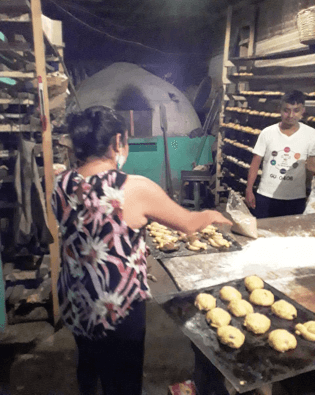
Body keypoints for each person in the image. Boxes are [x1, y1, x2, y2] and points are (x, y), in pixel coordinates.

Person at [51, 105, 232, 395]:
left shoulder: (61, 184)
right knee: (123, 380)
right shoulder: (133, 188)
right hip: (117, 307)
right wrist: (212, 215)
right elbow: (187, 223)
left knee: (90, 365)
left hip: (75, 297)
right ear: (117, 143)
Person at [245, 90, 315, 218]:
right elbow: (255, 163)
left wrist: (309, 193)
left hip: (295, 198)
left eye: (296, 110)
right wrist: (249, 190)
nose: (290, 115)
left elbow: (311, 167)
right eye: (286, 110)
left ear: (303, 111)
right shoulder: (268, 133)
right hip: (266, 195)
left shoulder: (311, 135)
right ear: (279, 109)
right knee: (262, 234)